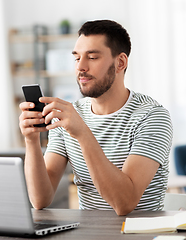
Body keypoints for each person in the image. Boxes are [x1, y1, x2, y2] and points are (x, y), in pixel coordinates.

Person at [19, 19, 173, 216]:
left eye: (92, 57)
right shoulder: (69, 115)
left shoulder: (152, 117)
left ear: (120, 62)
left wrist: (82, 133)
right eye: (77, 58)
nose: (81, 67)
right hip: (88, 233)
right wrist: (31, 140)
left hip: (140, 232)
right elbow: (40, 199)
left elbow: (124, 203)